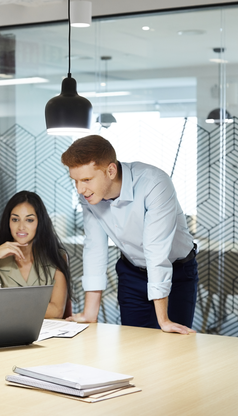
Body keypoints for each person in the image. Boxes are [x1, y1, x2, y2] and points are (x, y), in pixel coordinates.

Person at [61, 135, 198, 335]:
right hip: (131, 273)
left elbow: (156, 251)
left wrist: (164, 320)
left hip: (176, 272)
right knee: (133, 345)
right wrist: (90, 313)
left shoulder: (154, 183)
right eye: (75, 181)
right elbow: (94, 249)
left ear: (110, 170)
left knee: (172, 348)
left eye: (87, 180)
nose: (80, 189)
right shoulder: (88, 195)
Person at [0, 191, 71, 319]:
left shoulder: (57, 257)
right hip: (7, 335)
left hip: (47, 335)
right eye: (15, 219)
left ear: (39, 223)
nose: (21, 227)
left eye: (29, 220)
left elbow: (56, 312)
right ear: (8, 222)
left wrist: (6, 303)